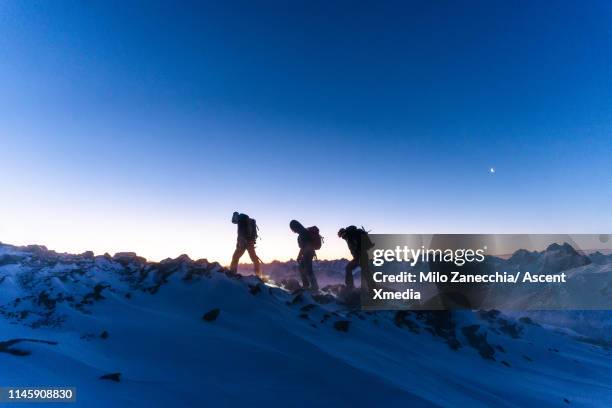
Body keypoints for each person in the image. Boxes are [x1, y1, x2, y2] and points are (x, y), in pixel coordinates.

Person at [289, 220, 321, 290]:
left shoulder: (302, 233)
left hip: (308, 253)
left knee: (306, 269)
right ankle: (310, 285)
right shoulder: (304, 232)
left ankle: (312, 286)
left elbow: (304, 246)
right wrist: (300, 256)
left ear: (295, 227)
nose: (292, 230)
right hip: (309, 252)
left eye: (292, 228)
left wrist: (300, 256)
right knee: (304, 268)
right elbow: (305, 246)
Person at [229, 212, 261, 277]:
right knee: (254, 258)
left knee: (235, 257)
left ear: (235, 217)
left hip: (244, 242)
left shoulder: (241, 220)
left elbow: (241, 233)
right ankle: (258, 274)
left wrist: (240, 242)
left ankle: (232, 273)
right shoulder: (246, 219)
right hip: (250, 241)